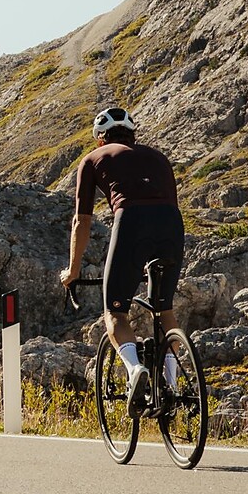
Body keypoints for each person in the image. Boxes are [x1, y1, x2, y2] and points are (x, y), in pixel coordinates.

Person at [58, 106, 185, 409]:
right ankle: (171, 384)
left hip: (131, 222)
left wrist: (72, 271)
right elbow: (166, 204)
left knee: (115, 312)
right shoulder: (159, 157)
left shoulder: (93, 159)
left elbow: (81, 221)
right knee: (165, 309)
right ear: (132, 134)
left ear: (100, 138)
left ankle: (134, 368)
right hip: (171, 224)